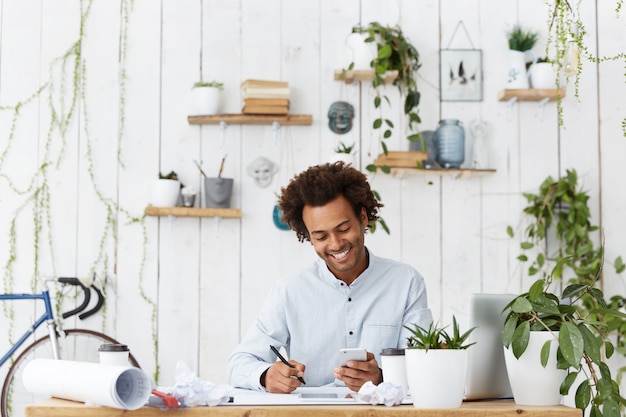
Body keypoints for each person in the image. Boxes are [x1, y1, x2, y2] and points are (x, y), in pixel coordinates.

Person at [227, 161, 433, 393]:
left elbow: (424, 367)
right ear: (309, 236)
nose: (335, 244)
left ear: (363, 218)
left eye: (343, 229)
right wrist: (266, 376)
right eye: (321, 236)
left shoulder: (406, 283)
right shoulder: (289, 291)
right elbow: (239, 363)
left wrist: (382, 377)